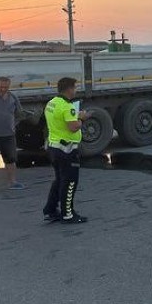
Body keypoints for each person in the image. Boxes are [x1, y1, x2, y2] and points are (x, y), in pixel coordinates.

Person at [43, 77, 90, 224]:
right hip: (67, 150)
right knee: (69, 182)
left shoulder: (52, 103)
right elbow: (73, 127)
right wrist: (82, 118)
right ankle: (67, 214)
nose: (75, 90)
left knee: (59, 180)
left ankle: (50, 210)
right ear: (69, 89)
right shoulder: (67, 106)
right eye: (75, 87)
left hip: (54, 147)